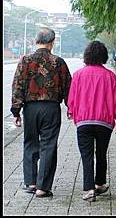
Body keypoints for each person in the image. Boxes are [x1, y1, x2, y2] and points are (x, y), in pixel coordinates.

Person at [11, 27, 72, 198]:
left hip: (30, 108)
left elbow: (17, 86)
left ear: (36, 41)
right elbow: (69, 87)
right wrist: (70, 107)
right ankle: (42, 187)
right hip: (51, 108)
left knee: (30, 143)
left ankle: (30, 182)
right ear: (52, 42)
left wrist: (16, 111)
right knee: (48, 145)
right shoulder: (59, 62)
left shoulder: (25, 60)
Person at [67, 41, 116, 202]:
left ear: (86, 55)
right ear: (104, 56)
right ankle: (100, 183)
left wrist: (71, 112)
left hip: (83, 122)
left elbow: (72, 98)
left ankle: (89, 189)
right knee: (101, 153)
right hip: (104, 122)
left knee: (86, 155)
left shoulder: (78, 75)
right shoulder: (110, 76)